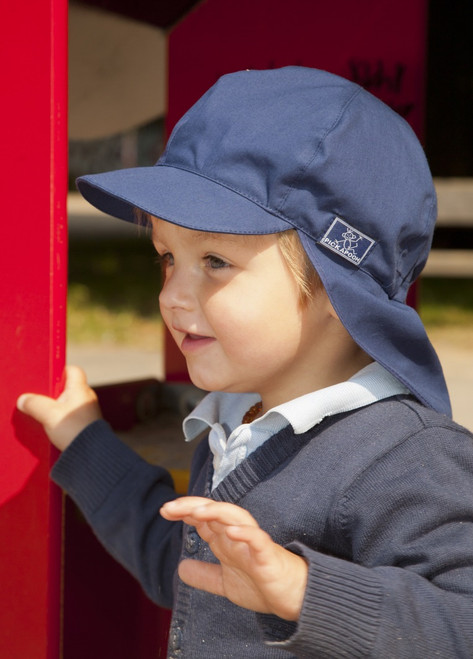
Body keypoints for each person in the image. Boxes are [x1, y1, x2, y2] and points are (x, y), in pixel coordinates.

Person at [17, 67, 473, 657]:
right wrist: (84, 442)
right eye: (165, 258)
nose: (171, 296)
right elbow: (183, 570)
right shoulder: (237, 424)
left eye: (213, 261)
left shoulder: (407, 457)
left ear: (339, 287)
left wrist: (302, 592)